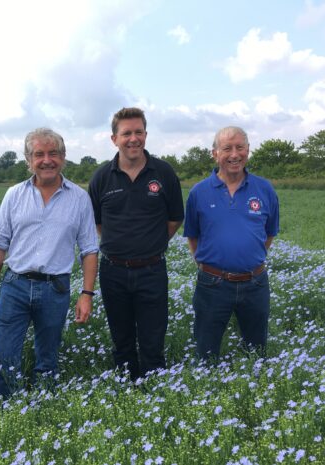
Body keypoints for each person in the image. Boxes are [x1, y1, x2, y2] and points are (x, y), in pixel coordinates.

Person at [0, 128, 98, 398]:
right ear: (28, 160)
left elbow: (90, 250)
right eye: (39, 154)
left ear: (63, 158)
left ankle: (44, 410)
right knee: (3, 356)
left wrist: (86, 294)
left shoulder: (79, 198)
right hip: (15, 285)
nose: (47, 160)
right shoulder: (14, 195)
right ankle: (11, 411)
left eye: (53, 153)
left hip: (55, 288)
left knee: (47, 359)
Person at [88, 107, 184, 381]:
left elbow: (175, 219)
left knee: (153, 341)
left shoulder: (163, 173)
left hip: (152, 270)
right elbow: (97, 223)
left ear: (146, 134)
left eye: (138, 132)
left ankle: (154, 393)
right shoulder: (102, 177)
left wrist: (150, 243)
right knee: (122, 340)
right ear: (114, 139)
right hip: (113, 271)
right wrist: (122, 244)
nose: (133, 139)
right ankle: (128, 391)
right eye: (126, 133)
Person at [183, 126, 279, 361]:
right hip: (212, 284)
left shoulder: (264, 189)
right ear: (215, 153)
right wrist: (212, 267)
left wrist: (248, 260)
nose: (234, 154)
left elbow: (269, 233)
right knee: (206, 351)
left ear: (248, 150)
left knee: (256, 352)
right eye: (227, 148)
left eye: (240, 147)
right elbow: (193, 236)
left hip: (255, 283)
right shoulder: (199, 192)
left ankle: (254, 391)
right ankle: (205, 391)